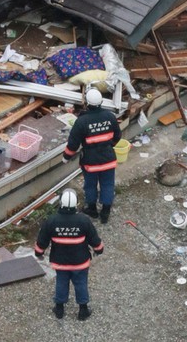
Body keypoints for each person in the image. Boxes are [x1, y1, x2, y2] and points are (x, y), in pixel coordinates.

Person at [34, 188, 103, 320]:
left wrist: (39, 253)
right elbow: (94, 240)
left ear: (61, 203)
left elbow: (42, 241)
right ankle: (83, 310)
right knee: (81, 283)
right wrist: (99, 249)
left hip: (60, 262)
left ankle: (59, 309)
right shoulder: (84, 220)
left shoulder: (52, 221)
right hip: (80, 262)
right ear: (76, 204)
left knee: (61, 282)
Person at [63, 87, 120, 223]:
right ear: (101, 102)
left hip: (90, 163)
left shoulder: (82, 121)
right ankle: (105, 213)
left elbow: (73, 144)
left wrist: (66, 157)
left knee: (90, 186)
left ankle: (92, 210)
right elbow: (117, 136)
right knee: (108, 185)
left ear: (87, 103)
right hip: (108, 160)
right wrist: (108, 146)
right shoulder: (110, 116)